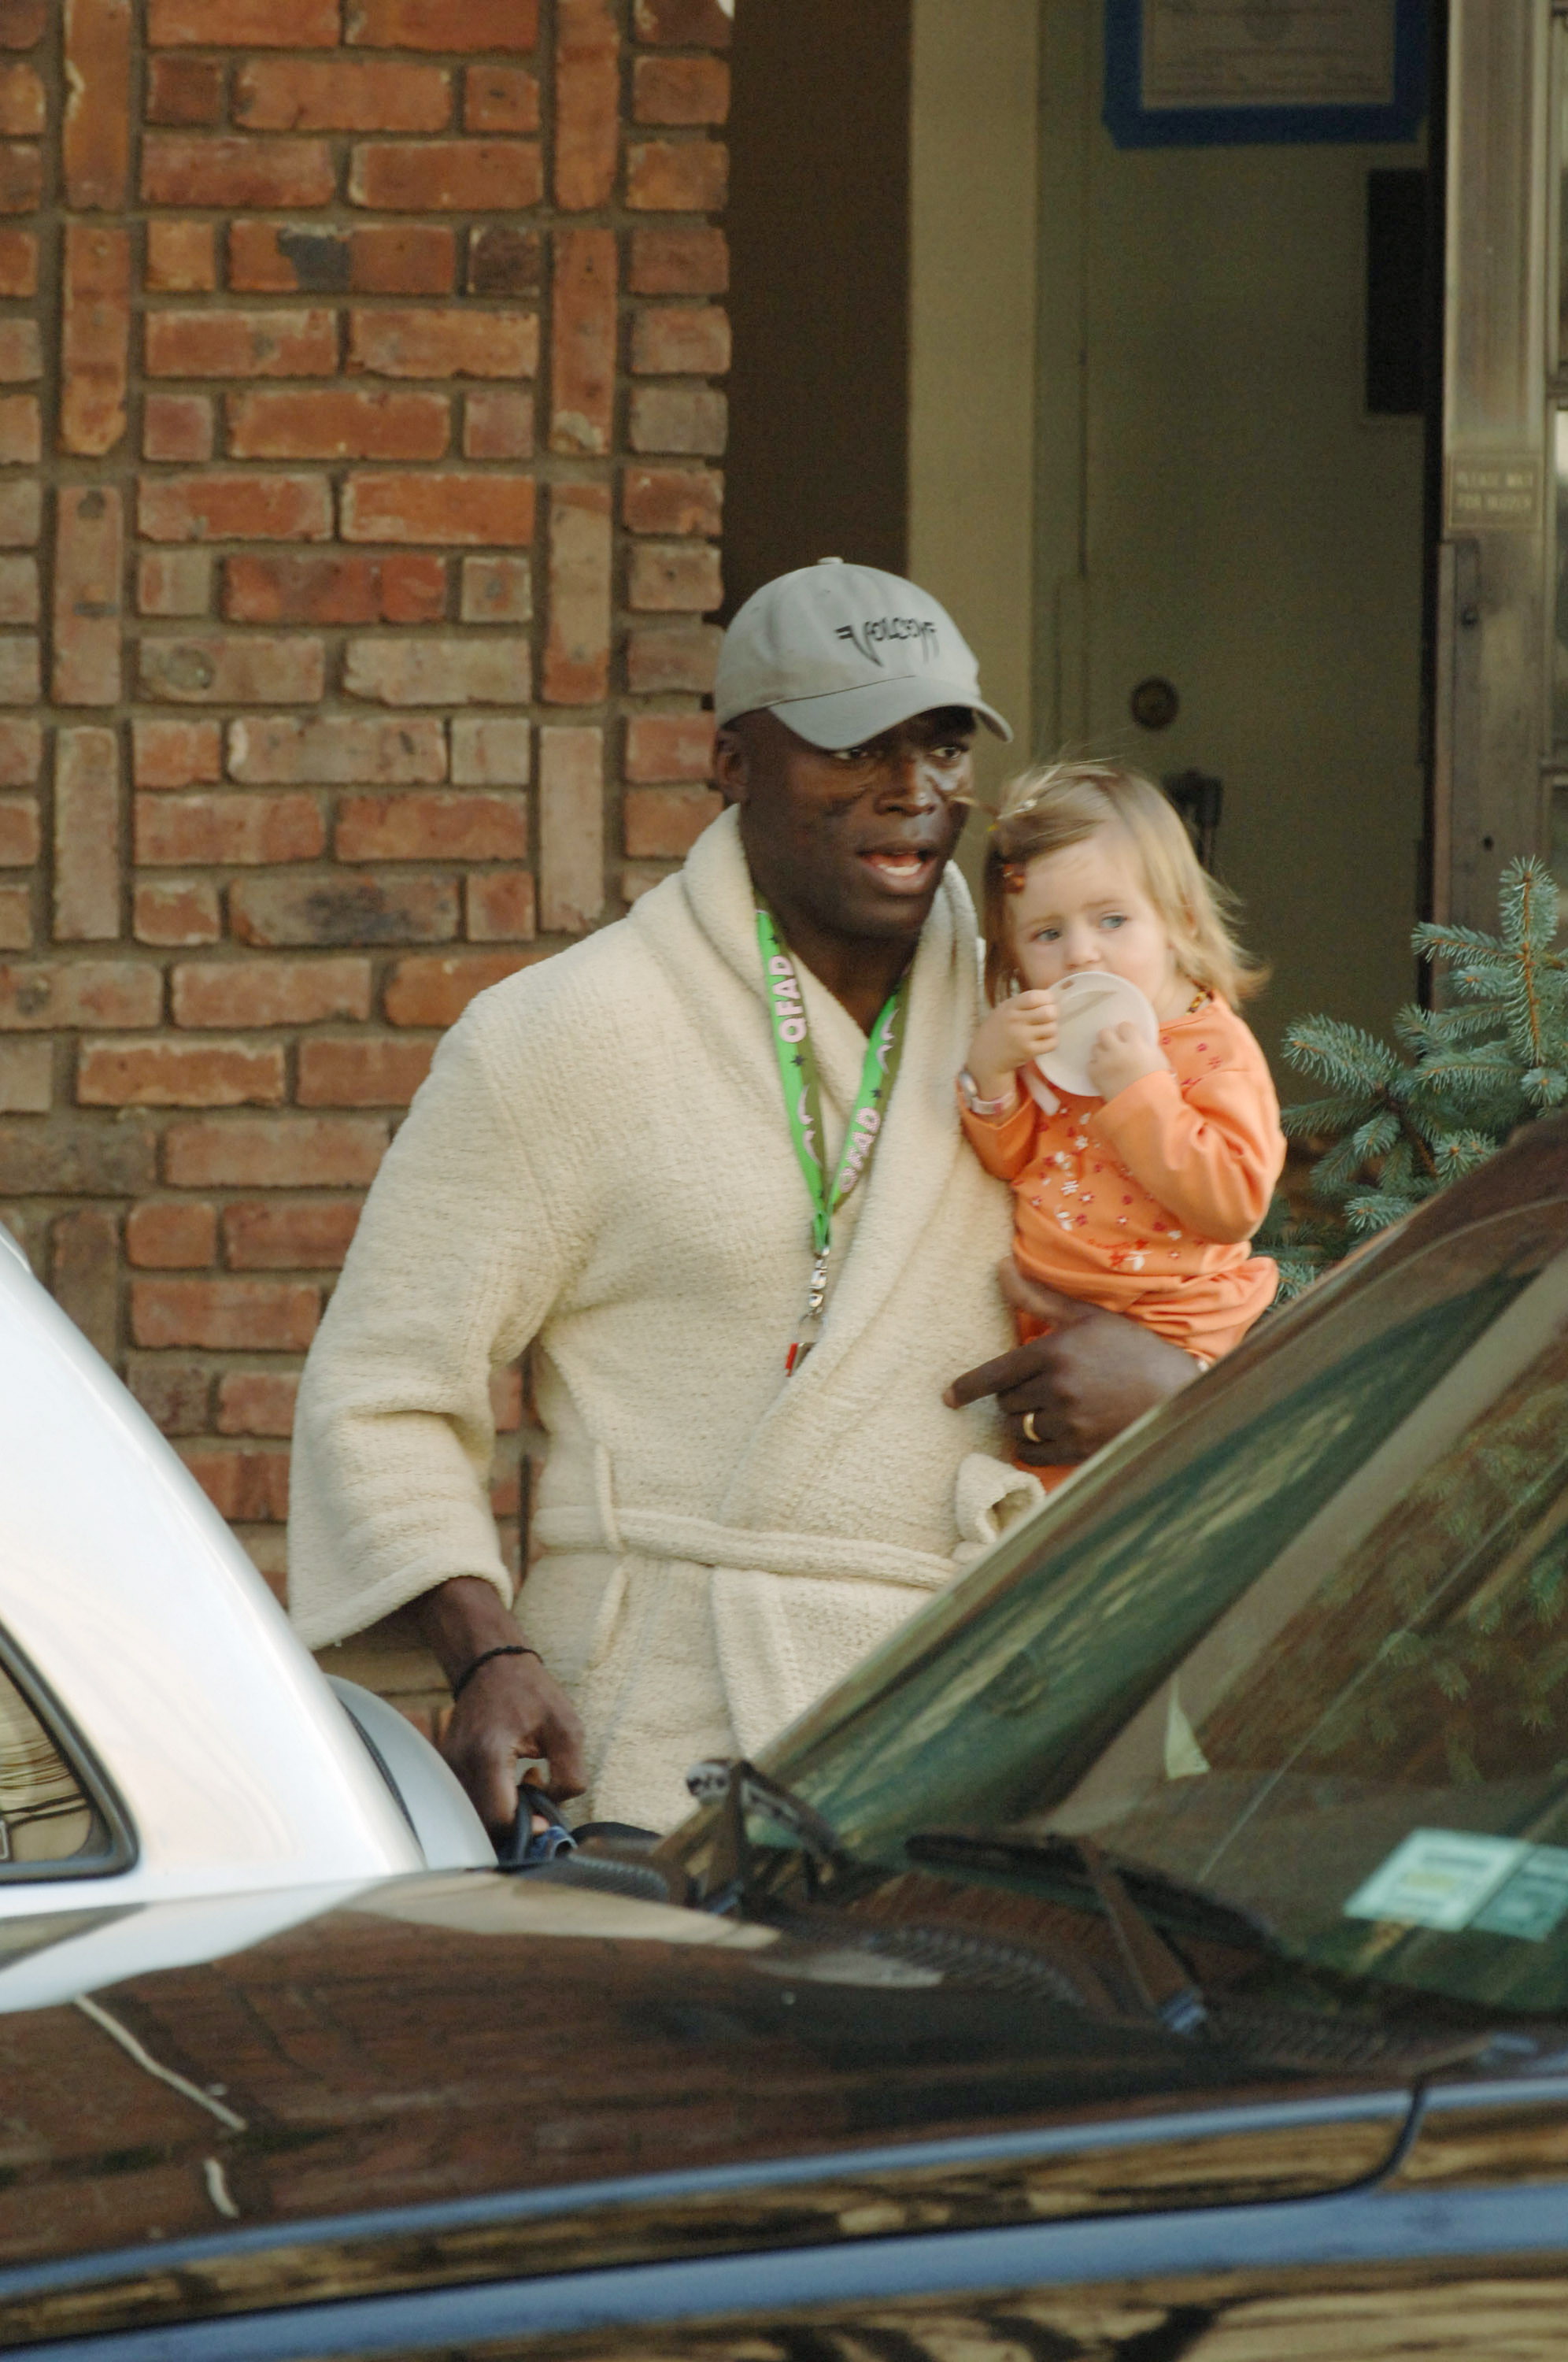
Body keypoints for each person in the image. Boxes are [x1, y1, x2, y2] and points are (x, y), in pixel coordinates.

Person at [287, 564, 1200, 1837]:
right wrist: (488, 1653)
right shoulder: (557, 1041)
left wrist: (1176, 1389)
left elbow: (1210, 1267)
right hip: (659, 1746)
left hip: (995, 1734)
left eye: (941, 743)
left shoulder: (1064, 1012)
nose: (912, 788)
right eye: (853, 743)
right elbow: (380, 1391)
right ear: (730, 761)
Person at [956, 761, 1286, 1485]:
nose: (1082, 952)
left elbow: (1233, 1204)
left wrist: (1140, 1093)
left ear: (1180, 922)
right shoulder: (1055, 1035)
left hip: (1173, 1328)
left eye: (1112, 920)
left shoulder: (1214, 1051)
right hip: (1048, 1323)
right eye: (1047, 933)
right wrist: (991, 1074)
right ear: (1012, 952)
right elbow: (1013, 1161)